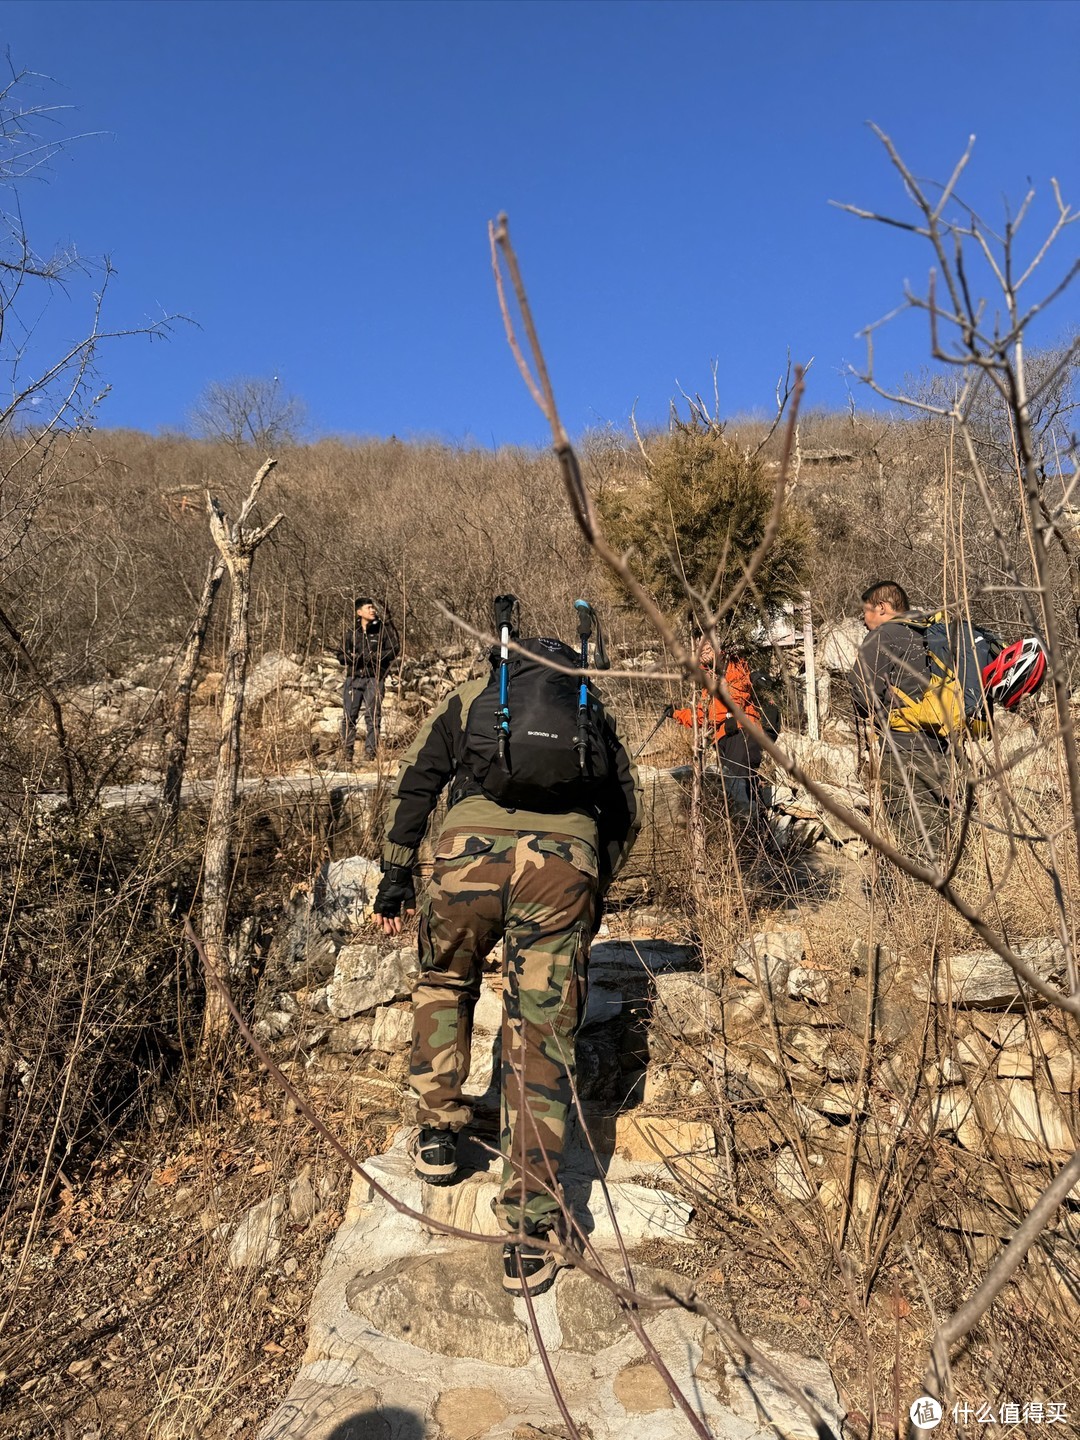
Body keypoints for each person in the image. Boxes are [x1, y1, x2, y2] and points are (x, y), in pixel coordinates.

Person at [371, 626, 642, 1298]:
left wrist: (396, 874)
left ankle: (438, 1135)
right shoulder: (588, 710)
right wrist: (592, 882)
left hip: (467, 860)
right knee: (541, 1036)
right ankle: (529, 1228)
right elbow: (627, 808)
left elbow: (415, 782)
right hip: (562, 869)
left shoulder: (470, 697)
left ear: (502, 663)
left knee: (443, 982)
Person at [850, 579, 953, 859]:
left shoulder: (883, 636)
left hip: (904, 750)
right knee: (946, 830)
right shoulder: (931, 635)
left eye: (866, 612)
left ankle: (923, 900)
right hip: (945, 749)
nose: (863, 620)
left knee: (914, 835)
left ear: (882, 607)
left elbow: (862, 692)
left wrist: (882, 717)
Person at [672, 638, 763, 811]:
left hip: (743, 732)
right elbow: (702, 716)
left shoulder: (733, 663)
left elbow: (734, 699)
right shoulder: (708, 681)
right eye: (699, 648)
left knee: (740, 786)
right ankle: (753, 825)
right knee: (734, 788)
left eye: (706, 646)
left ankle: (753, 827)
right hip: (723, 738)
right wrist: (676, 714)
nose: (703, 651)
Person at [337, 597, 400, 763]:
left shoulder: (383, 630)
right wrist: (354, 659)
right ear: (359, 612)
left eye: (373, 608)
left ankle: (370, 755)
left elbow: (394, 649)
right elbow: (340, 655)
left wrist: (375, 658)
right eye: (369, 608)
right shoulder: (351, 632)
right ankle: (347, 754)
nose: (373, 610)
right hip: (354, 678)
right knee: (349, 717)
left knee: (373, 717)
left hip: (374, 678)